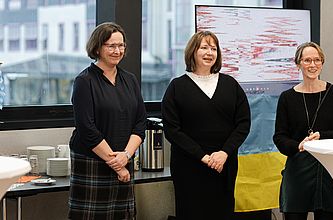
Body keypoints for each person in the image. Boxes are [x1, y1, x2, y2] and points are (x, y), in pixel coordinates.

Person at [162, 31, 251, 220]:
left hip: (224, 165)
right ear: (193, 51)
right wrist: (203, 157)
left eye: (213, 48)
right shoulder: (177, 87)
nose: (209, 52)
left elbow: (243, 123)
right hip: (189, 166)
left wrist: (224, 153)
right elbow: (172, 129)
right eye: (204, 47)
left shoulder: (231, 84)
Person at [68, 22, 146, 220]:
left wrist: (126, 156)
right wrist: (118, 165)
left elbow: (140, 123)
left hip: (124, 158)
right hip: (93, 162)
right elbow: (87, 129)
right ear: (97, 47)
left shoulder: (130, 80)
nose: (117, 50)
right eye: (111, 46)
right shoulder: (84, 81)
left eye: (121, 45)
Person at [273, 42, 333, 220]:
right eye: (307, 60)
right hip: (298, 169)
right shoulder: (287, 97)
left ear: (322, 63)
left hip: (328, 169)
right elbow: (279, 137)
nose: (313, 64)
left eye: (317, 60)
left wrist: (322, 136)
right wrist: (298, 145)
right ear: (298, 64)